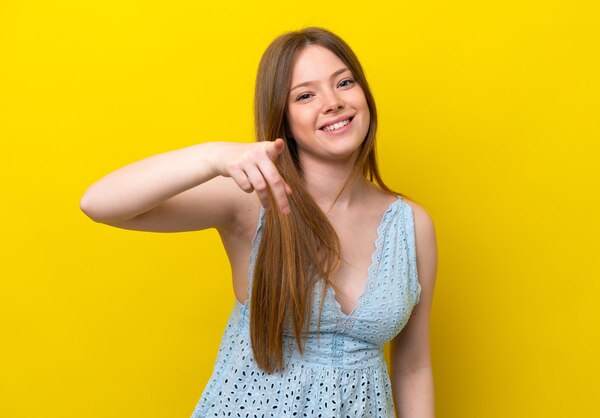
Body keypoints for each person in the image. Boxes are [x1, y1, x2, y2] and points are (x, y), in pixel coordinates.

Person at [80, 27, 437, 418]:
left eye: (344, 82)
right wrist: (213, 157)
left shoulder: (410, 225)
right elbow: (100, 203)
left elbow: (413, 365)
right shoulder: (252, 201)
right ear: (282, 118)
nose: (333, 102)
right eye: (305, 95)